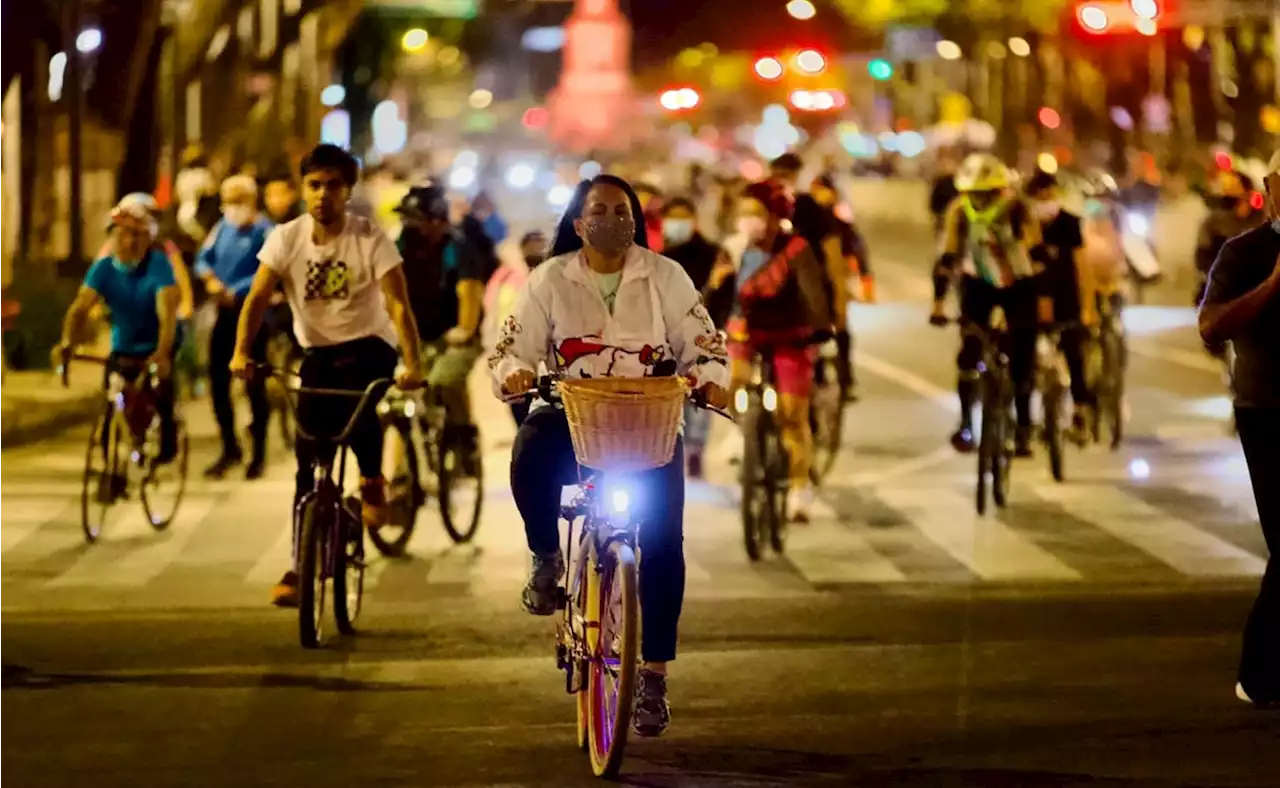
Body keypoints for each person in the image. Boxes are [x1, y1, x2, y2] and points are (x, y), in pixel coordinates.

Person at [491, 174, 730, 738]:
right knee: (529, 450)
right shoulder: (548, 280)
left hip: (648, 422)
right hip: (572, 413)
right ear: (578, 223)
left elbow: (704, 343)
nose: (611, 219)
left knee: (665, 545)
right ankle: (547, 557)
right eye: (598, 210)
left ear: (635, 219)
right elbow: (511, 347)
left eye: (621, 210)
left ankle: (653, 677)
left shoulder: (666, 277)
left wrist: (711, 380)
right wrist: (516, 374)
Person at [228, 143, 424, 607]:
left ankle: (372, 479)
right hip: (316, 351)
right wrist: (240, 352)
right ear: (303, 190)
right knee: (307, 459)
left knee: (358, 415)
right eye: (314, 185)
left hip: (369, 346)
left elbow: (397, 303)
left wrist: (413, 364)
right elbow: (257, 299)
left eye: (333, 185)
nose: (323, 195)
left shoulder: (369, 236)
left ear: (347, 190)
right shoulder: (286, 237)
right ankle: (300, 564)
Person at [1198, 152, 1280, 708]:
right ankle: (1257, 671)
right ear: (1272, 189)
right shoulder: (1245, 252)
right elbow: (1211, 325)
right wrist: (1275, 284)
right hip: (1269, 414)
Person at [727, 180, 833, 522]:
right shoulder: (735, 249)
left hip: (792, 336)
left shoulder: (797, 248)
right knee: (732, 379)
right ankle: (738, 432)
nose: (748, 220)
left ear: (776, 217)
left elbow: (813, 295)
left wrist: (819, 327)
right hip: (747, 331)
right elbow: (718, 290)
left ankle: (800, 489)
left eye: (755, 213)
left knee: (792, 416)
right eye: (743, 212)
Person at [931, 153, 1046, 457]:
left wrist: (1044, 297)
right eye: (974, 194)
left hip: (1019, 285)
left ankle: (1023, 426)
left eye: (987, 194)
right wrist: (938, 303)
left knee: (1023, 357)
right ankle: (966, 422)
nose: (979, 201)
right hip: (977, 285)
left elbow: (1037, 252)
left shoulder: (1019, 209)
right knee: (969, 354)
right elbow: (947, 259)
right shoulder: (959, 211)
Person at [58, 202, 180, 463]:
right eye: (121, 234)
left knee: (158, 394)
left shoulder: (158, 265)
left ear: (148, 239)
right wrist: (68, 343)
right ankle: (111, 471)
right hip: (123, 344)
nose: (128, 242)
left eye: (136, 235)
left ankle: (166, 438)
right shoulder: (103, 268)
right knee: (110, 405)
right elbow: (80, 308)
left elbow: (166, 314)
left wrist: (161, 353)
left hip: (157, 342)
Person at [395, 184, 486, 468]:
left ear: (437, 221)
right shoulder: (401, 246)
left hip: (454, 336)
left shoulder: (457, 248)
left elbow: (469, 291)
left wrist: (464, 330)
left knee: (445, 380)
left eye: (416, 218)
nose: (409, 224)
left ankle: (465, 437)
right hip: (415, 336)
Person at [197, 175, 276, 480]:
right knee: (218, 383)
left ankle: (258, 454)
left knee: (254, 385)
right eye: (228, 200)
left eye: (238, 199)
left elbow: (267, 269)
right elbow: (204, 260)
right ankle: (230, 447)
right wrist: (211, 281)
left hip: (254, 315)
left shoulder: (266, 231)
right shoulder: (221, 229)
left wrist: (238, 290)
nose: (232, 207)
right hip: (225, 315)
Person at [661, 197, 733, 477]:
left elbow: (728, 292)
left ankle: (695, 450)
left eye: (682, 217)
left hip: (707, 335)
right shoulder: (661, 259)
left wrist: (719, 328)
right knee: (676, 397)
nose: (676, 224)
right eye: (672, 218)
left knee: (702, 392)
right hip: (670, 338)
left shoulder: (715, 254)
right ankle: (678, 448)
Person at [1024, 169, 1099, 436]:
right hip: (1031, 300)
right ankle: (1024, 419)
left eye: (1050, 193)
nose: (1046, 200)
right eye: (1039, 195)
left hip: (1066, 298)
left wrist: (1088, 307)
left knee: (1074, 351)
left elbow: (1082, 266)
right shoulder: (1022, 224)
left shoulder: (1069, 223)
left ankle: (1080, 407)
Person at [809, 174, 870, 402]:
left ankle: (846, 379)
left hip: (834, 284)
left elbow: (858, 251)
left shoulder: (841, 226)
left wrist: (862, 280)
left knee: (842, 330)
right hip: (811, 287)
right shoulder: (802, 223)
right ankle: (816, 378)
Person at [483, 230, 548, 427]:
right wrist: (507, 369)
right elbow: (496, 326)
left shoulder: (561, 283)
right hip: (524, 381)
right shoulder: (508, 282)